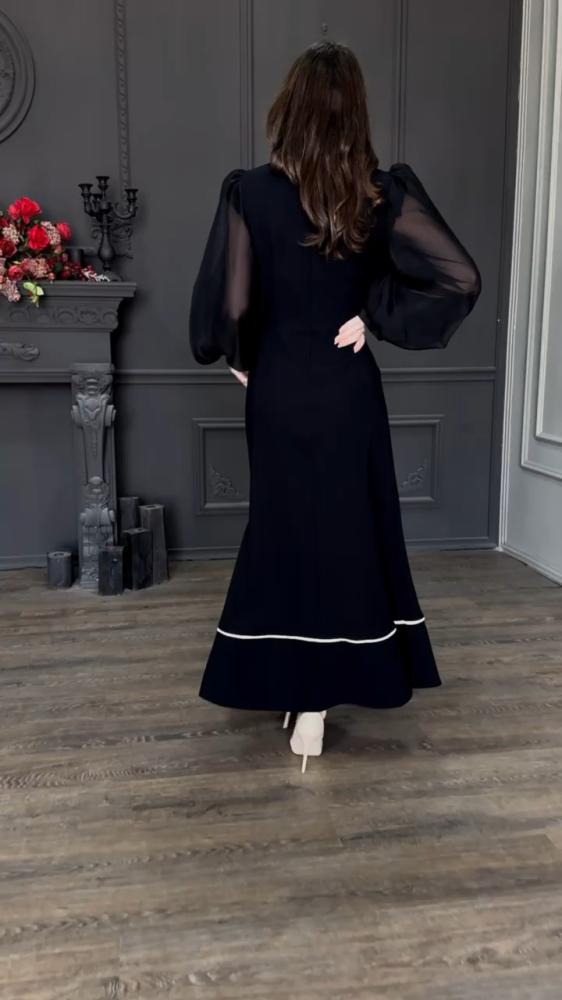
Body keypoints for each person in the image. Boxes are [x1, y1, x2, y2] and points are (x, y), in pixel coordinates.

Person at [189, 40, 482, 773]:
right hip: (347, 388)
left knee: (284, 533)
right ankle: (317, 706)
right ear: (354, 110)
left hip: (280, 388)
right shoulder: (377, 194)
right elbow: (459, 277)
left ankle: (300, 692)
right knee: (347, 536)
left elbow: (231, 303)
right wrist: (371, 315)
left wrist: (240, 357)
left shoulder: (250, 192)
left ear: (288, 106)